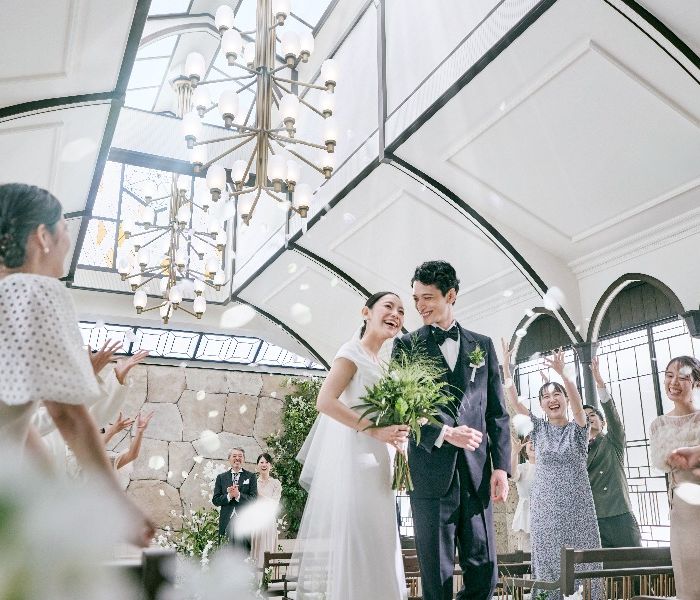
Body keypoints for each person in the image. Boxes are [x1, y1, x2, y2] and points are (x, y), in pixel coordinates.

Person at [0, 182, 153, 546]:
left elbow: (17, 427)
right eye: (65, 229)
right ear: (43, 237)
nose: (68, 241)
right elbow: (67, 415)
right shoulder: (32, 291)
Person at [393, 261, 510, 600]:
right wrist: (445, 433)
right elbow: (402, 409)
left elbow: (497, 413)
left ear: (451, 295)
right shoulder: (406, 346)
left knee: (485, 572)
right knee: (436, 576)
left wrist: (501, 468)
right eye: (416, 299)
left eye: (427, 297)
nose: (420, 306)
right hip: (430, 475)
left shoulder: (482, 345)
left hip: (476, 476)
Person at [294, 291, 409, 600]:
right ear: (366, 312)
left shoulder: (383, 365)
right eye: (388, 306)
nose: (396, 314)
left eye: (401, 311)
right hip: (357, 462)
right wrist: (376, 431)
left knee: (382, 544)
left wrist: (398, 439)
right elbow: (325, 401)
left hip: (380, 463)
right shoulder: (351, 353)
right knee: (360, 545)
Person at [502, 341, 602, 600]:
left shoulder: (578, 428)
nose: (552, 399)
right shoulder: (538, 428)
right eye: (545, 397)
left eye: (557, 394)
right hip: (544, 509)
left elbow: (579, 407)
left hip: (578, 507)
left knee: (583, 562)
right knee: (548, 563)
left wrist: (564, 375)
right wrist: (507, 370)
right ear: (541, 404)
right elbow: (515, 402)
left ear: (565, 400)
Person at [649, 356, 700, 600]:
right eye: (669, 376)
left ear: (696, 383)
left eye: (682, 377)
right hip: (682, 510)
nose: (673, 382)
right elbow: (661, 462)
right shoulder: (658, 424)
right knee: (689, 579)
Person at [583, 357, 642, 548]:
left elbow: (612, 413)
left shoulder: (612, 441)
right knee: (603, 565)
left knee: (635, 562)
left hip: (620, 513)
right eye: (583, 417)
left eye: (592, 415)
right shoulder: (576, 452)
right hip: (594, 518)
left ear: (603, 422)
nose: (588, 419)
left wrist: (599, 382)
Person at [212, 447, 258, 551]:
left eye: (240, 456)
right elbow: (215, 500)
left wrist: (238, 495)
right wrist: (229, 496)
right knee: (226, 552)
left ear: (244, 459)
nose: (237, 458)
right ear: (229, 459)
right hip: (226, 520)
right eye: (234, 456)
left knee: (244, 553)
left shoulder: (251, 477)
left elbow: (254, 499)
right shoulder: (221, 477)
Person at [250, 452, 282, 567]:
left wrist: (259, 496)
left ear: (270, 465)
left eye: (266, 462)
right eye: (261, 462)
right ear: (257, 465)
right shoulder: (253, 483)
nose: (264, 464)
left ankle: (267, 576)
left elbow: (274, 504)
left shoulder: (276, 483)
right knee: (256, 552)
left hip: (269, 522)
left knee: (267, 551)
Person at [510, 436, 535, 552]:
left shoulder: (550, 469)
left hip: (547, 514)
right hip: (525, 516)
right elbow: (513, 475)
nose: (534, 445)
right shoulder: (522, 468)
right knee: (527, 555)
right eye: (531, 442)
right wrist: (515, 453)